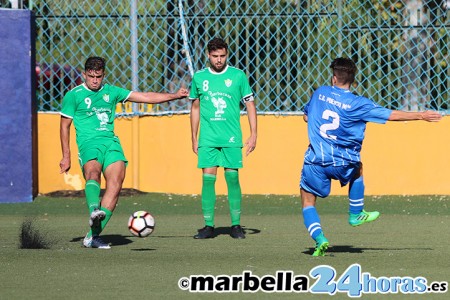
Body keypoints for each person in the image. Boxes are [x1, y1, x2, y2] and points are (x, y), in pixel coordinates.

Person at [300, 57, 442, 256]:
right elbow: (390, 115)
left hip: (315, 160)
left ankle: (320, 238)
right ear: (353, 80)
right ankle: (355, 214)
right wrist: (421, 115)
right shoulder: (359, 104)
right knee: (358, 169)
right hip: (344, 162)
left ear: (333, 78)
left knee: (308, 201)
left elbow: (306, 116)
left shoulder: (319, 93)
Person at [59, 56, 189, 249]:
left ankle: (92, 236)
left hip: (111, 143)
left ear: (104, 75)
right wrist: (66, 155)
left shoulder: (111, 92)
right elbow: (64, 126)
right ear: (84, 74)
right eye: (91, 76)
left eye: (99, 76)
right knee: (93, 173)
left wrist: (174, 95)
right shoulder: (73, 95)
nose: (95, 80)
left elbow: (144, 97)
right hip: (89, 144)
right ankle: (94, 209)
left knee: (116, 183)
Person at [189, 37, 257, 239]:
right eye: (215, 56)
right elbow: (195, 107)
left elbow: (250, 105)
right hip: (208, 137)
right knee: (208, 179)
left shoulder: (237, 76)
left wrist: (254, 134)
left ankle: (236, 225)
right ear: (208, 56)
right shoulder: (199, 77)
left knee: (233, 177)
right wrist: (193, 136)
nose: (219, 60)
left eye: (222, 56)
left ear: (227, 55)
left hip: (231, 137)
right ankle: (208, 226)